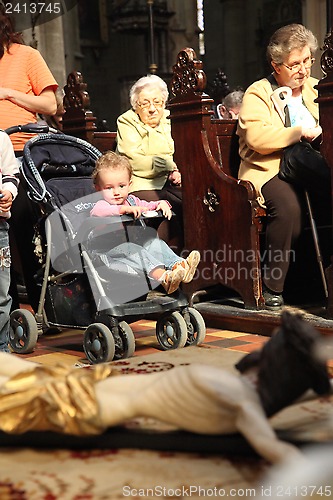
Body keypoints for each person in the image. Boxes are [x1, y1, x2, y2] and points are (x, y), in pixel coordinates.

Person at [0, 310, 329, 465]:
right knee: (18, 371)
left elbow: (277, 450)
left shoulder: (241, 402)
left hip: (90, 405)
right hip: (96, 388)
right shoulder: (240, 395)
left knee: (17, 385)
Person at [237, 24, 325, 310]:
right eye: (295, 64)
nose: (303, 70)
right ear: (275, 65)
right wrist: (298, 132)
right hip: (269, 167)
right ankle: (273, 285)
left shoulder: (316, 88)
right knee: (289, 209)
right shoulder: (258, 92)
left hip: (312, 165)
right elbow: (257, 137)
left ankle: (316, 280)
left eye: (307, 60)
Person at [0, 4, 58, 312]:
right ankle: (7, 310)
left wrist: (9, 93)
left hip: (23, 154)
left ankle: (41, 306)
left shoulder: (25, 55)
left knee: (20, 225)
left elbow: (51, 105)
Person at [90, 151, 200, 294]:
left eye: (121, 186)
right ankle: (163, 278)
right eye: (109, 188)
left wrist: (161, 204)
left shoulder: (132, 200)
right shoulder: (100, 205)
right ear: (98, 189)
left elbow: (147, 205)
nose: (116, 192)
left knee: (154, 243)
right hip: (107, 253)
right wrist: (123, 209)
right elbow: (101, 212)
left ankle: (180, 266)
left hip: (129, 248)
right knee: (134, 249)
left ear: (129, 185)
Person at [116, 74, 182, 249]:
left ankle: (188, 256)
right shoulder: (127, 121)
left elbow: (184, 150)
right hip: (140, 183)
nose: (152, 108)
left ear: (164, 103)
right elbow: (132, 160)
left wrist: (180, 171)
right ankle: (159, 263)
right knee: (161, 210)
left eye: (157, 102)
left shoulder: (172, 118)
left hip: (171, 182)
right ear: (135, 106)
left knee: (195, 202)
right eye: (145, 103)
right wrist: (168, 166)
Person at [0, 131, 20, 352]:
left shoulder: (2, 139)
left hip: (0, 226)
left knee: (1, 293)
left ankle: (1, 350)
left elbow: (11, 175)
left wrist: (8, 193)